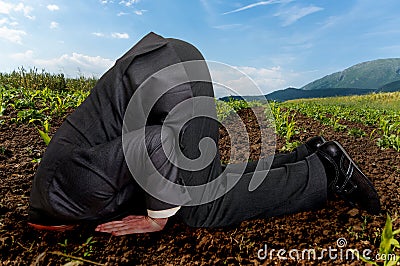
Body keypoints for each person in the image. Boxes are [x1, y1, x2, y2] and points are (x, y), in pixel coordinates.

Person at [28, 32, 381, 236]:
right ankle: (307, 156)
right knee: (201, 181)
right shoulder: (60, 182)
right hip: (165, 64)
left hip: (165, 78)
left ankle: (326, 171)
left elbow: (156, 143)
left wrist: (155, 219)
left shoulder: (71, 191)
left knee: (199, 207)